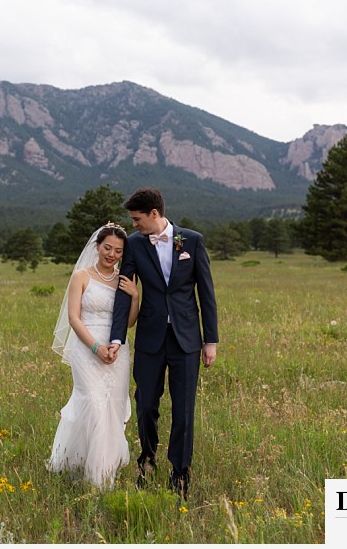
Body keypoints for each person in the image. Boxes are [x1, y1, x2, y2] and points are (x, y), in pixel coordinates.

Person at [109, 188, 218, 500]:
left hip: (186, 340)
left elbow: (206, 294)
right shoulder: (134, 245)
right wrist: (117, 337)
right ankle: (147, 462)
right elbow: (123, 292)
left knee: (184, 410)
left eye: (137, 219)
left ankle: (180, 474)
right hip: (149, 338)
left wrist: (210, 340)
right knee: (145, 405)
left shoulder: (192, 241)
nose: (133, 225)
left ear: (154, 214)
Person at [48, 223, 139, 489]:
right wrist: (95, 347)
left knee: (112, 406)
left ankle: (104, 467)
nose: (111, 254)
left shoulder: (124, 279)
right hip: (87, 349)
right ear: (97, 246)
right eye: (107, 248)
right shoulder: (81, 276)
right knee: (93, 403)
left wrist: (134, 297)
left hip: (117, 351)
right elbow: (74, 318)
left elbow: (129, 322)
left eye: (118, 251)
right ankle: (88, 472)